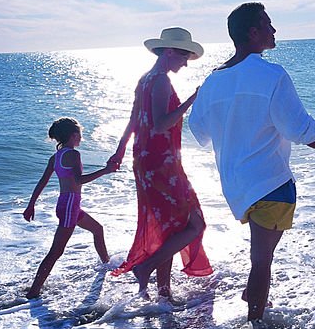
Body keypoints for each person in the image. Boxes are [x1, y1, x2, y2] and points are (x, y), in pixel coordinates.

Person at [188, 2, 315, 321]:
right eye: (268, 25)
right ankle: (255, 327)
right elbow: (299, 127)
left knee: (260, 257)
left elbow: (200, 131)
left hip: (235, 187)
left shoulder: (212, 81)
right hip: (271, 183)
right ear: (253, 33)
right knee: (261, 261)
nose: (274, 31)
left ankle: (254, 294)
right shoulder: (271, 75)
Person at [109, 28, 212, 297]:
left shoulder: (145, 79)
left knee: (171, 226)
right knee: (195, 224)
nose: (186, 62)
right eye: (183, 55)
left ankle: (164, 293)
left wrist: (119, 151)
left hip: (145, 160)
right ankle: (147, 267)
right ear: (168, 51)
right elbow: (160, 125)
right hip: (161, 162)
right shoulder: (162, 81)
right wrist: (192, 99)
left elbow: (134, 120)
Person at [24, 117, 115, 299]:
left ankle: (107, 266)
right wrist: (105, 171)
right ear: (74, 135)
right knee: (56, 251)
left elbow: (42, 182)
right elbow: (79, 180)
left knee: (98, 229)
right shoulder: (73, 155)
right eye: (80, 133)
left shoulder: (55, 157)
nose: (82, 137)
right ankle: (33, 292)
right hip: (70, 206)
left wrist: (31, 204)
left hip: (66, 204)